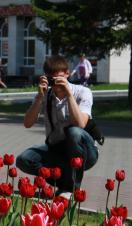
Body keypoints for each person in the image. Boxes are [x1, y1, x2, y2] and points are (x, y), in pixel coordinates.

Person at [16, 55, 98, 198]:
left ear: (67, 73)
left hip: (85, 152)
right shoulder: (45, 95)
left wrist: (69, 95)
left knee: (74, 132)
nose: (56, 84)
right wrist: (39, 98)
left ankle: (72, 189)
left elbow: (81, 124)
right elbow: (27, 123)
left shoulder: (82, 92)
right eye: (52, 80)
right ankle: (64, 183)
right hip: (57, 149)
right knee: (23, 160)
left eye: (60, 78)